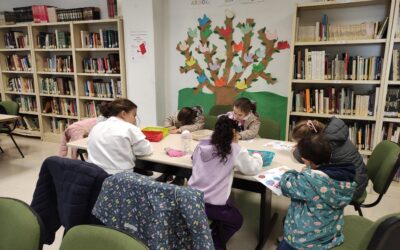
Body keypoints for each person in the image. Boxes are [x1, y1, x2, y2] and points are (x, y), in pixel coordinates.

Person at [188, 115, 263, 249]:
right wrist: (258, 156)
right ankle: (213, 243)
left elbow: (193, 159)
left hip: (190, 199)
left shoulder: (201, 144)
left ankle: (209, 231)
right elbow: (252, 169)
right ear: (234, 133)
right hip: (213, 205)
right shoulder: (234, 149)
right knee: (237, 220)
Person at [278, 134, 356, 250]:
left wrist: (292, 172)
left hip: (304, 239)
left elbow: (285, 184)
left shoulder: (308, 181)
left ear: (305, 159)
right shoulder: (343, 176)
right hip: (330, 235)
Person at [291, 117, 368, 200]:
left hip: (352, 189)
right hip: (357, 178)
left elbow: (305, 157)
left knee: (306, 185)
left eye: (299, 143)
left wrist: (297, 150)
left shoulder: (325, 144)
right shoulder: (332, 135)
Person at [87, 99, 152, 174]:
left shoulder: (97, 126)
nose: (135, 119)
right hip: (120, 178)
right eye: (134, 115)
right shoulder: (130, 128)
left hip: (94, 175)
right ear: (123, 114)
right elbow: (144, 150)